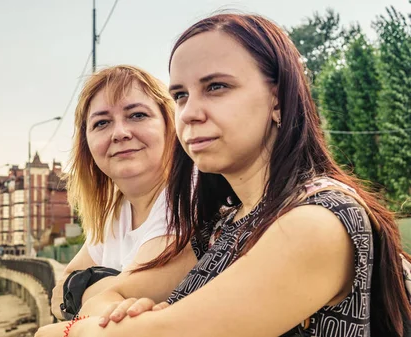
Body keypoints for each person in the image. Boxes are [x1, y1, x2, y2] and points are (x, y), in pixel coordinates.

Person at [36, 13, 411, 337]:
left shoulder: (318, 220)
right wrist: (118, 320)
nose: (189, 112)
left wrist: (73, 329)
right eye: (181, 95)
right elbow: (106, 298)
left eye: (216, 87)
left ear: (277, 99)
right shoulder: (221, 226)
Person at [50, 65, 197, 320]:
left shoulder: (189, 195)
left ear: (169, 125)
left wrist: (83, 290)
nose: (119, 133)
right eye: (102, 123)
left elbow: (137, 293)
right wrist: (102, 290)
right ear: (87, 144)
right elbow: (57, 296)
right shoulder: (116, 214)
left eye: (137, 115)